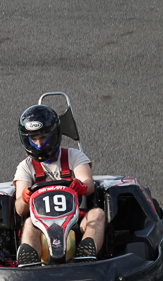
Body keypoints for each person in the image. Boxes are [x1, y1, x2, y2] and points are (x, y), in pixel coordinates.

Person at [13, 104, 106, 267]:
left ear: (54, 135)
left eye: (43, 137)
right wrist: (25, 197)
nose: (39, 144)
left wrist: (82, 186)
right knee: (28, 223)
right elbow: (20, 209)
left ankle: (85, 258)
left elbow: (88, 182)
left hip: (75, 222)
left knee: (97, 214)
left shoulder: (73, 156)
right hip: (41, 226)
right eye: (33, 139)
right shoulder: (25, 167)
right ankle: (30, 267)